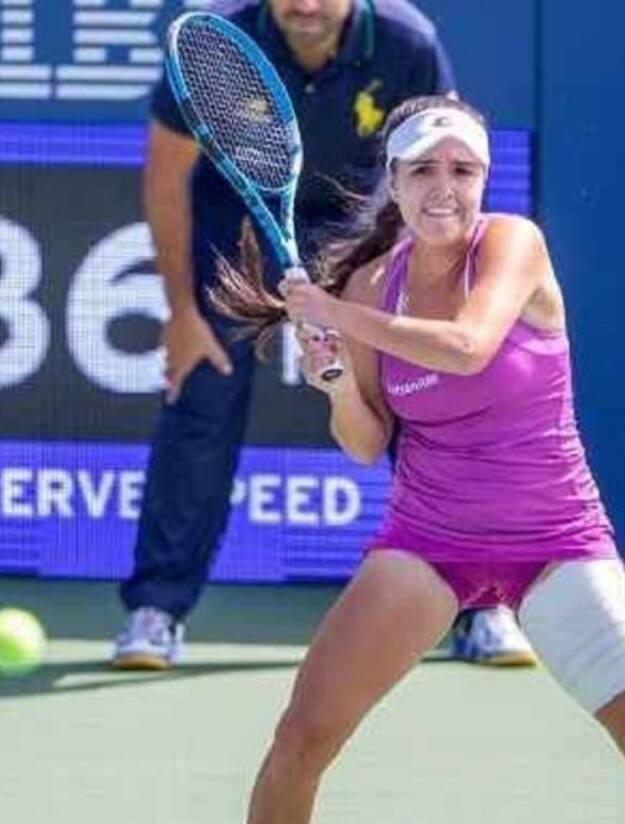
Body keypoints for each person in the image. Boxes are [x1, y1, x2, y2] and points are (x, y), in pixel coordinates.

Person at [218, 95, 625, 824]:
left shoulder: (513, 244)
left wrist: (336, 313)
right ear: (395, 183)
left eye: (463, 170)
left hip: (557, 542)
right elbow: (369, 441)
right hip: (427, 543)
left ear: (484, 179)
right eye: (424, 171)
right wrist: (336, 382)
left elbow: (471, 348)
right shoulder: (374, 283)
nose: (445, 188)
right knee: (300, 739)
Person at [112, 0, 536, 670]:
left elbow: (449, 166)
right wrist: (182, 314)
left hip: (362, 220)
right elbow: (166, 179)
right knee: (199, 402)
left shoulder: (407, 43)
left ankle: (482, 605)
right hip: (241, 226)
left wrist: (429, 286)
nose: (305, 5)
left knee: (426, 400)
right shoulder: (221, 37)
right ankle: (156, 610)